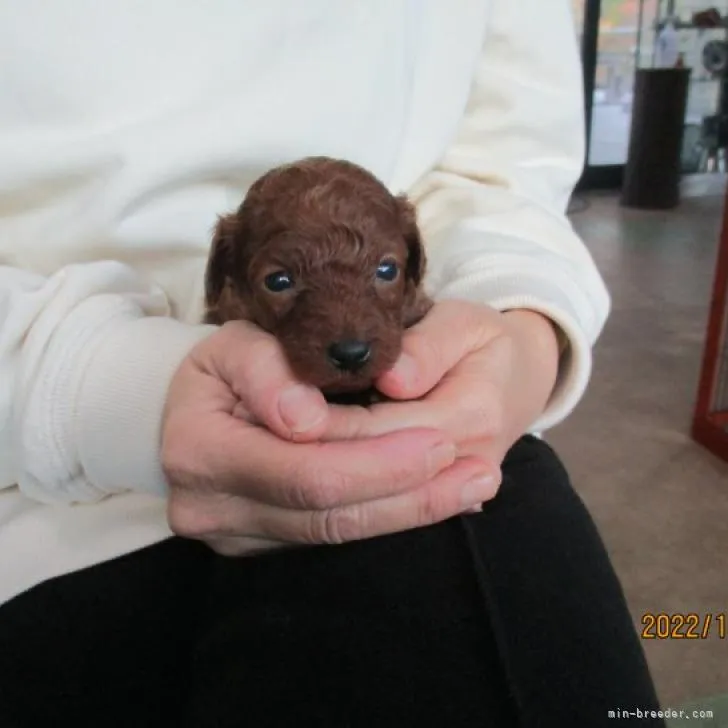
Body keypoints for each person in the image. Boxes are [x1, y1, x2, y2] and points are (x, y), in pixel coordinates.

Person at [0, 1, 665, 726]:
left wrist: (524, 323)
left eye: (385, 270)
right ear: (229, 272)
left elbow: (505, 169)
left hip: (424, 416)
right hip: (30, 504)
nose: (347, 331)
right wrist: (98, 389)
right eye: (280, 282)